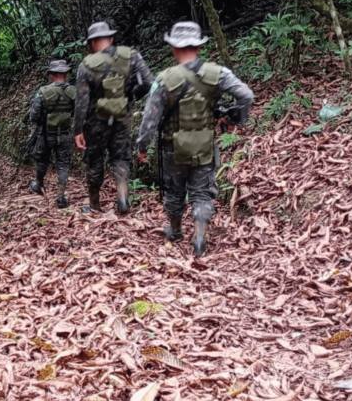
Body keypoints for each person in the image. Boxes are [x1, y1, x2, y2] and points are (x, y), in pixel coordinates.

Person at [136, 21, 254, 256]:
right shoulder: (218, 73)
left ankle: (176, 230)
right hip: (204, 144)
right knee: (201, 192)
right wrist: (232, 118)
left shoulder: (163, 79)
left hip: (172, 147)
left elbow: (150, 119)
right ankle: (199, 237)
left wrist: (142, 146)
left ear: (173, 48)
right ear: (199, 46)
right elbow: (246, 95)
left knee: (174, 191)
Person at [73, 22, 154, 214]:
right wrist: (131, 97)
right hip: (122, 116)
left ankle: (94, 205)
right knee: (121, 157)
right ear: (111, 38)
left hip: (95, 122)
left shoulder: (86, 65)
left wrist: (78, 130)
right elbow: (150, 83)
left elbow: (81, 102)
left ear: (92, 43)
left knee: (94, 160)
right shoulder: (132, 56)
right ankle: (123, 199)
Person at [29, 60, 76, 208]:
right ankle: (61, 196)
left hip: (46, 134)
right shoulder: (74, 92)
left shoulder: (42, 92)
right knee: (63, 164)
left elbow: (34, 116)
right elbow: (79, 112)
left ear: (50, 75)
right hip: (65, 133)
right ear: (67, 74)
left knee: (41, 159)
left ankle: (39, 183)